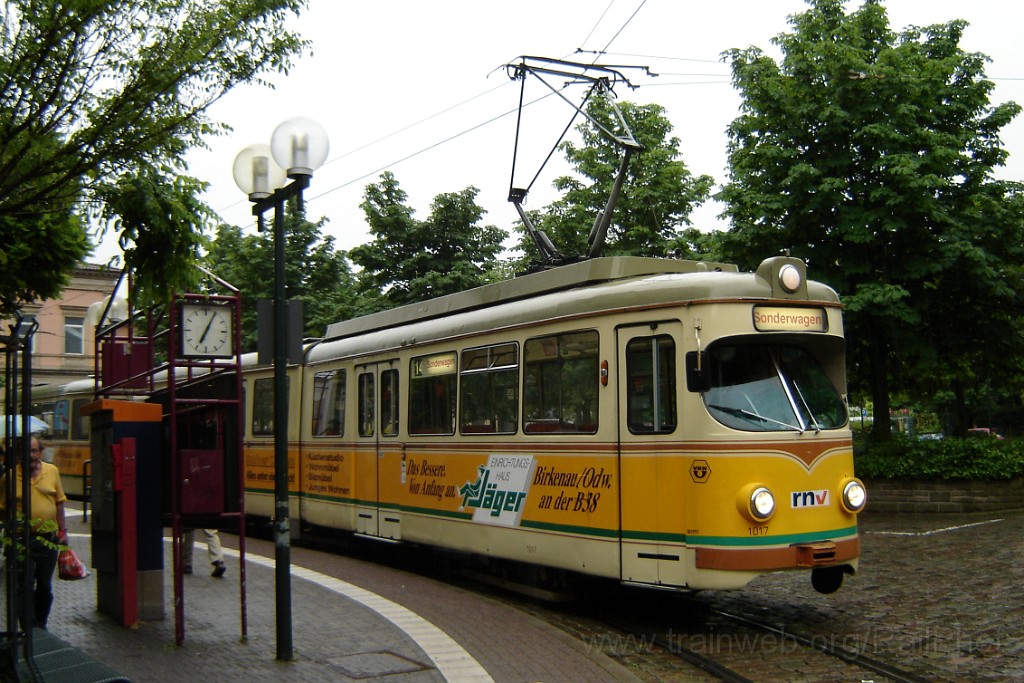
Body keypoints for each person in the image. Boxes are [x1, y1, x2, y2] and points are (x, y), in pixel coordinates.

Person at [0, 435, 68, 630]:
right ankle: (28, 628)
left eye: (34, 451)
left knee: (45, 586)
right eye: (26, 452)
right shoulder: (10, 477)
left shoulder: (52, 471)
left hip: (48, 540)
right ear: (19, 455)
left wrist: (63, 532)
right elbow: (2, 508)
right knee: (25, 586)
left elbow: (59, 504)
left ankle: (40, 623)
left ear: (41, 452)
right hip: (21, 540)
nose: (31, 455)